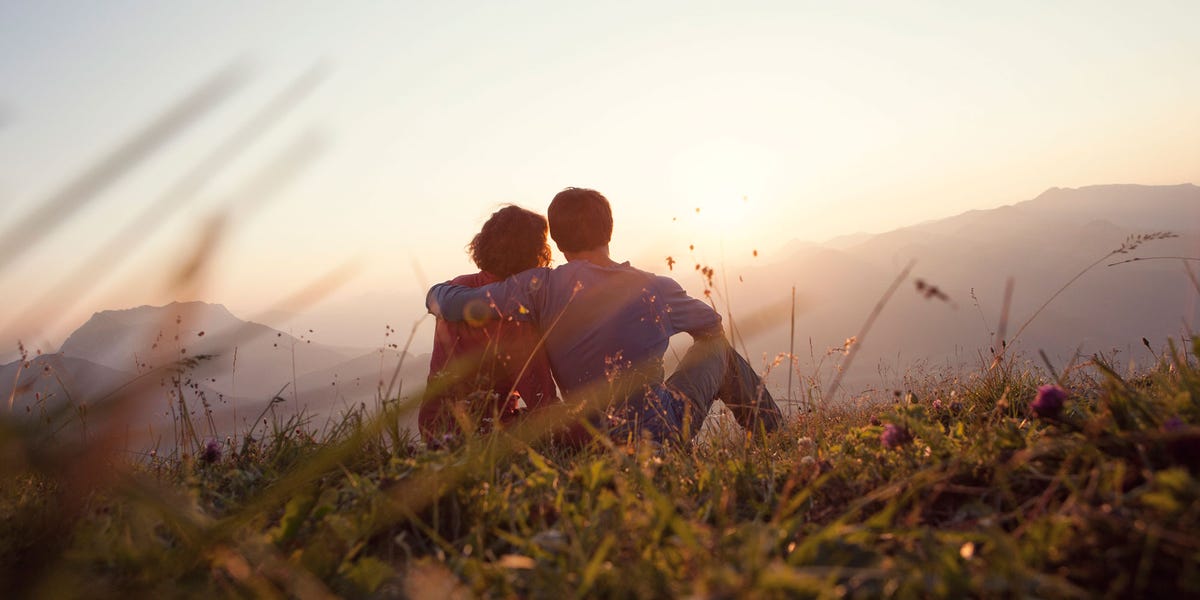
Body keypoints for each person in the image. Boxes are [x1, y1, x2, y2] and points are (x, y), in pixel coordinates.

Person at [426, 188, 783, 444]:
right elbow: (711, 325)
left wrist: (436, 292)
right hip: (660, 433)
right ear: (609, 229)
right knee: (719, 351)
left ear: (559, 242)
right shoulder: (655, 288)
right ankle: (776, 437)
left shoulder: (538, 287)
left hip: (591, 436)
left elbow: (452, 303)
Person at [418, 205, 558, 446]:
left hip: (433, 428)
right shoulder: (515, 317)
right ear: (536, 252)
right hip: (483, 434)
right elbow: (541, 402)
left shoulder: (457, 287)